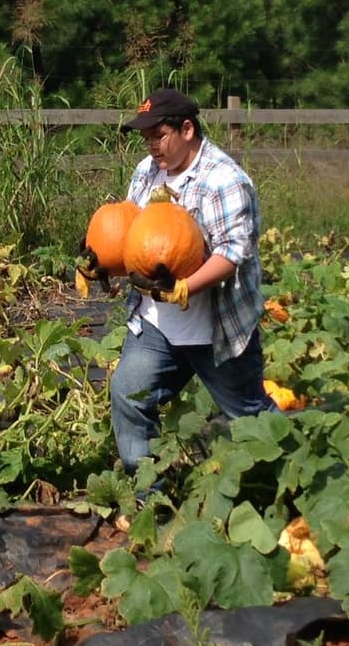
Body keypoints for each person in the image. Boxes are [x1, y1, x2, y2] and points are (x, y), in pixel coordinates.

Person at [103, 88, 277, 475]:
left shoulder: (224, 179)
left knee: (251, 420)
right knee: (129, 397)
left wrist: (186, 287)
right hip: (156, 326)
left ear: (186, 129)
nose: (151, 145)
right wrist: (101, 263)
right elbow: (133, 240)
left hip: (216, 330)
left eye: (158, 135)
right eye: (145, 137)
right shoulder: (146, 172)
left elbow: (234, 252)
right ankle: (150, 497)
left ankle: (294, 482)